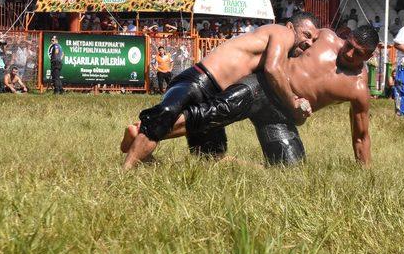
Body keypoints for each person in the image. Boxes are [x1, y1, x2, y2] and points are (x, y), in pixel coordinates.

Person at [122, 26, 378, 169]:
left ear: (368, 58)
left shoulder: (358, 90)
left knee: (290, 170)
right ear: (347, 37)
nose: (349, 53)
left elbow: (360, 135)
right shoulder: (326, 36)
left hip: (280, 117)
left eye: (358, 53)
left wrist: (364, 172)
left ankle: (146, 133)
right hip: (265, 87)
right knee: (217, 111)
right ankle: (149, 131)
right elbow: (295, 37)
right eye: (350, 45)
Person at [129, 13, 320, 161]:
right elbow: (272, 70)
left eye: (313, 40)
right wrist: (293, 101)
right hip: (199, 80)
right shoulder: (282, 32)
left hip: (212, 92)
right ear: (290, 26)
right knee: (164, 117)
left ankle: (142, 138)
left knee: (212, 158)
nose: (309, 43)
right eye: (307, 35)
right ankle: (125, 170)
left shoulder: (279, 49)